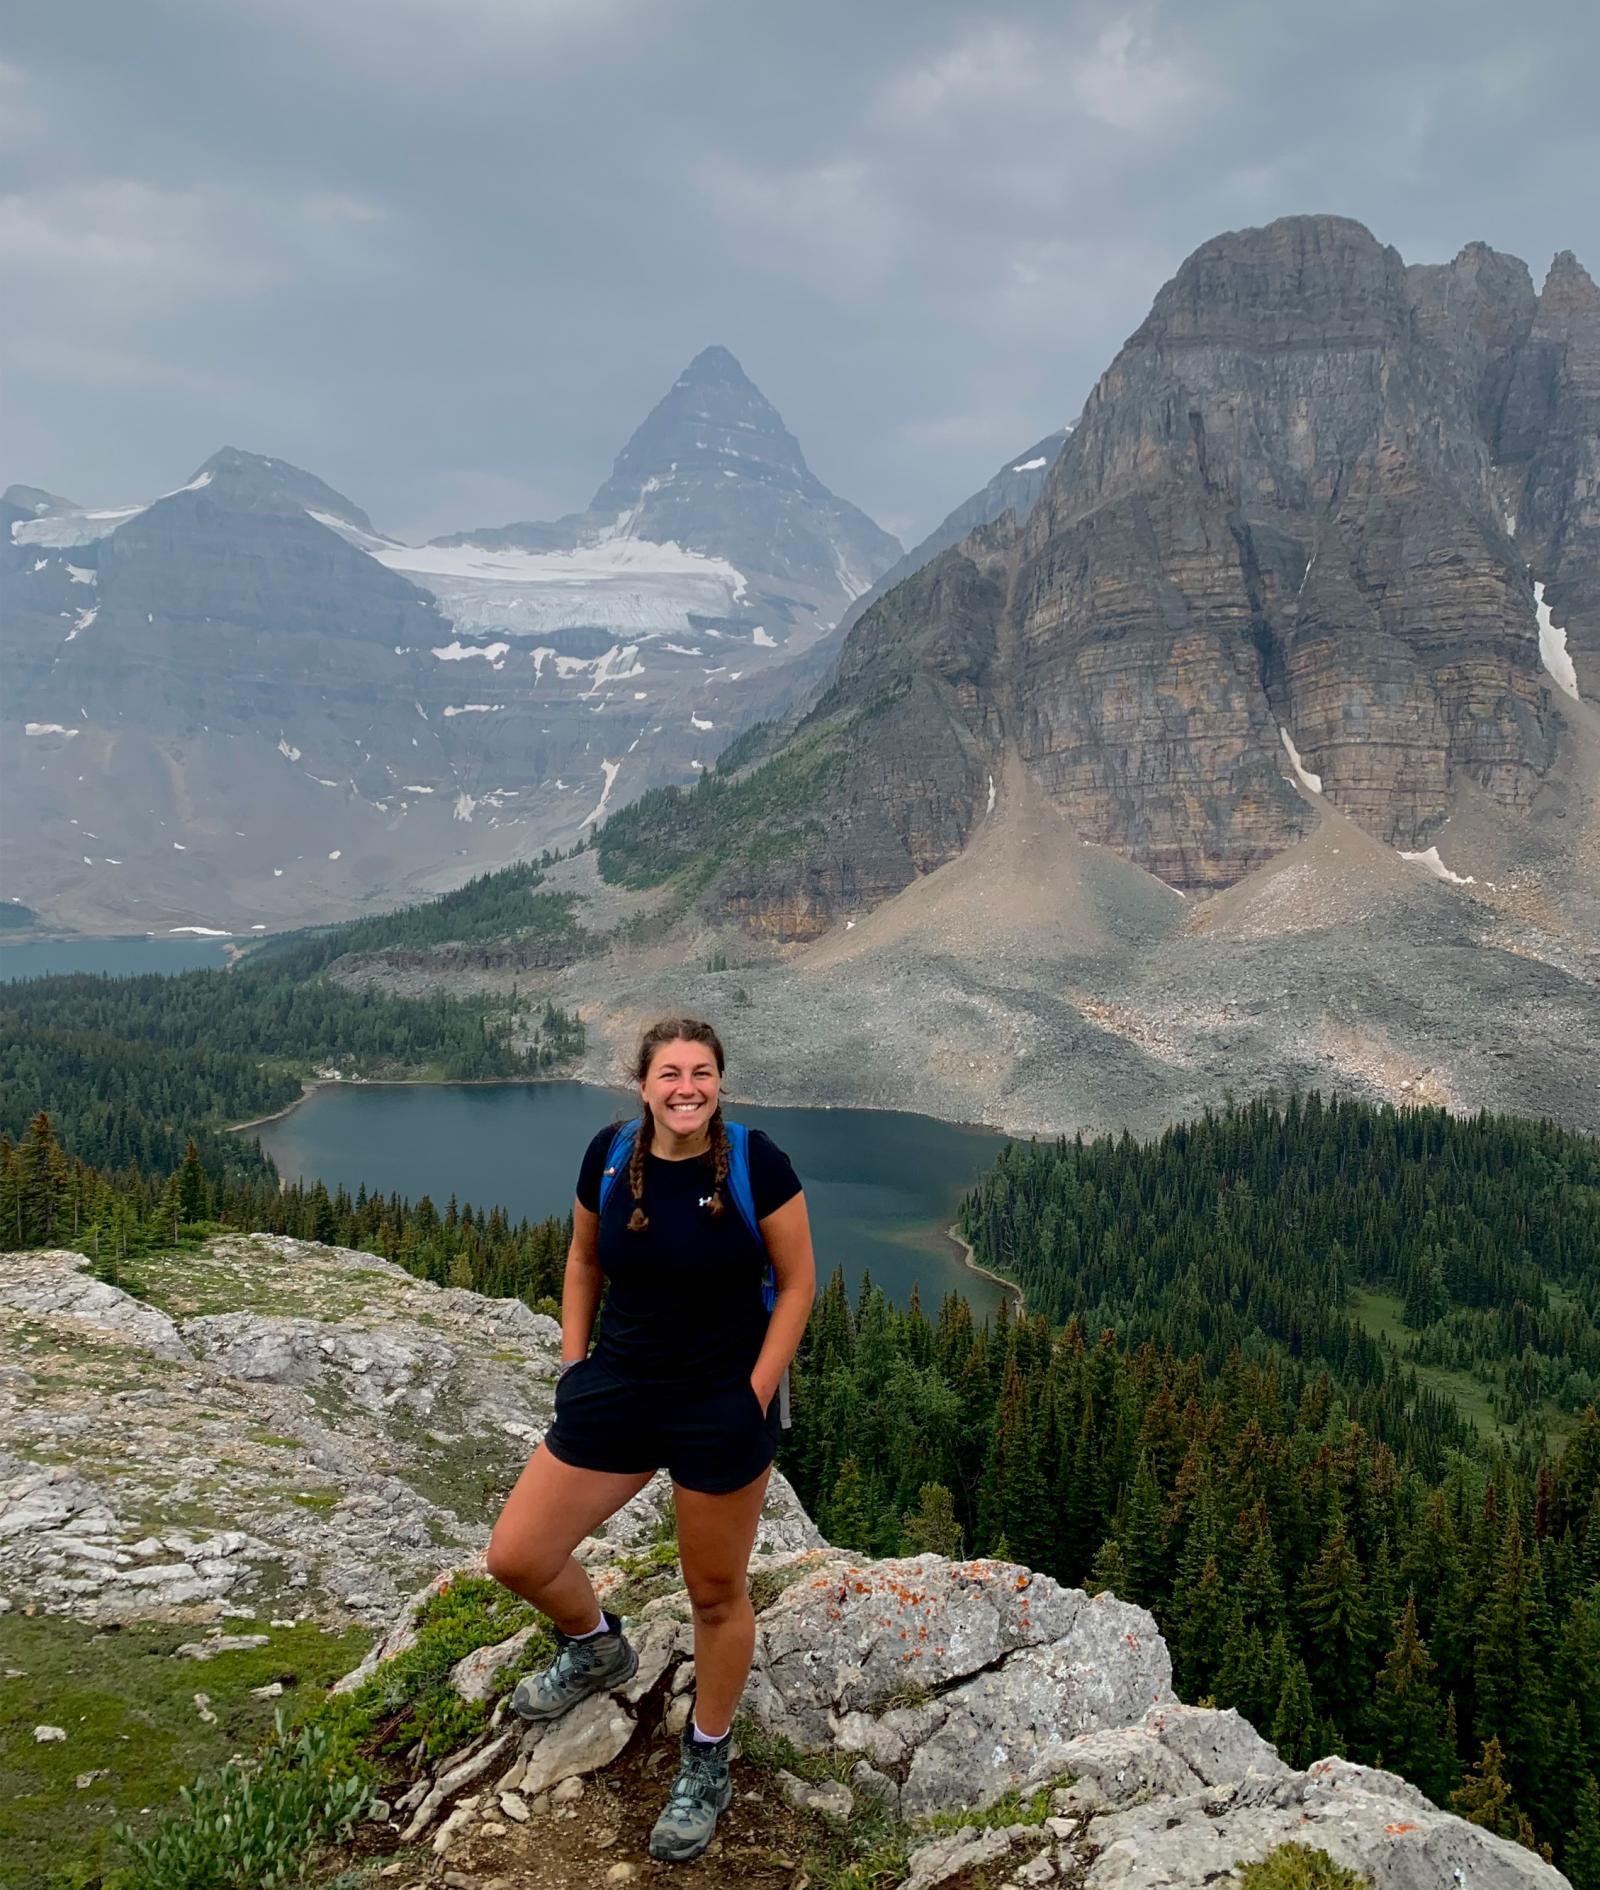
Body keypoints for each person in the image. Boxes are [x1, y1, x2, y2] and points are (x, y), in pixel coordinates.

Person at [486, 1016, 816, 1863]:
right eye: (670, 1073)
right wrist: (573, 1364)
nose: (686, 1089)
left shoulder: (756, 1161)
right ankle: (596, 1646)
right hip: (621, 1388)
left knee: (715, 1594)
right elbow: (583, 1260)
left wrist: (753, 1395)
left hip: (719, 1402)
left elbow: (798, 1283)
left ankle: (707, 1757)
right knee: (518, 1556)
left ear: (719, 1081)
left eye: (701, 1072)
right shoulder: (609, 1155)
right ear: (643, 1084)